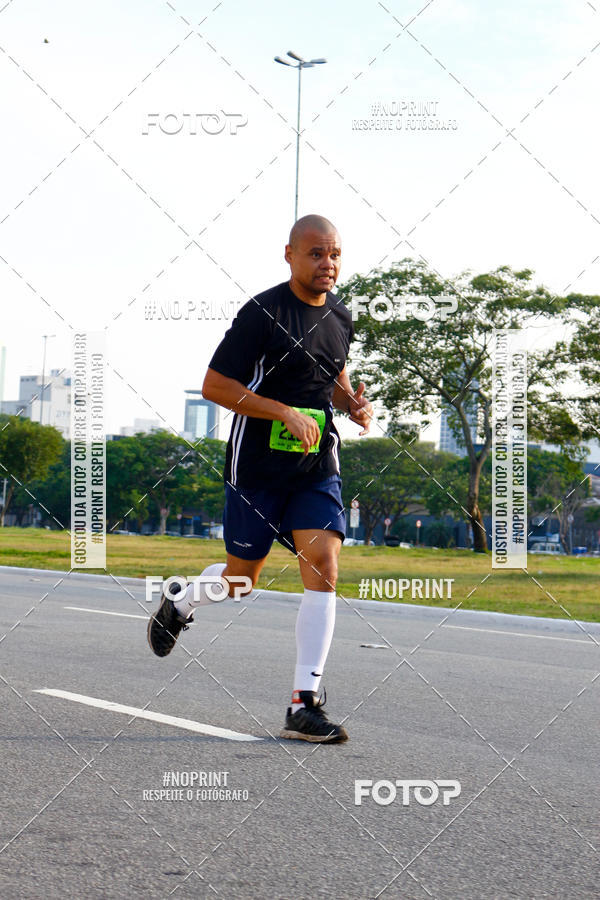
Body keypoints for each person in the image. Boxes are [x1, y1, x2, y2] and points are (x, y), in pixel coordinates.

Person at [147, 214, 372, 743]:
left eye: (335, 254)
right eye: (316, 253)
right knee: (241, 580)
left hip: (316, 465)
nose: (327, 263)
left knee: (324, 564)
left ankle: (303, 703)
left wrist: (351, 404)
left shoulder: (341, 316)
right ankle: (181, 601)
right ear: (289, 254)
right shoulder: (262, 313)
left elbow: (332, 379)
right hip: (257, 467)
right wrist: (280, 411)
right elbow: (215, 385)